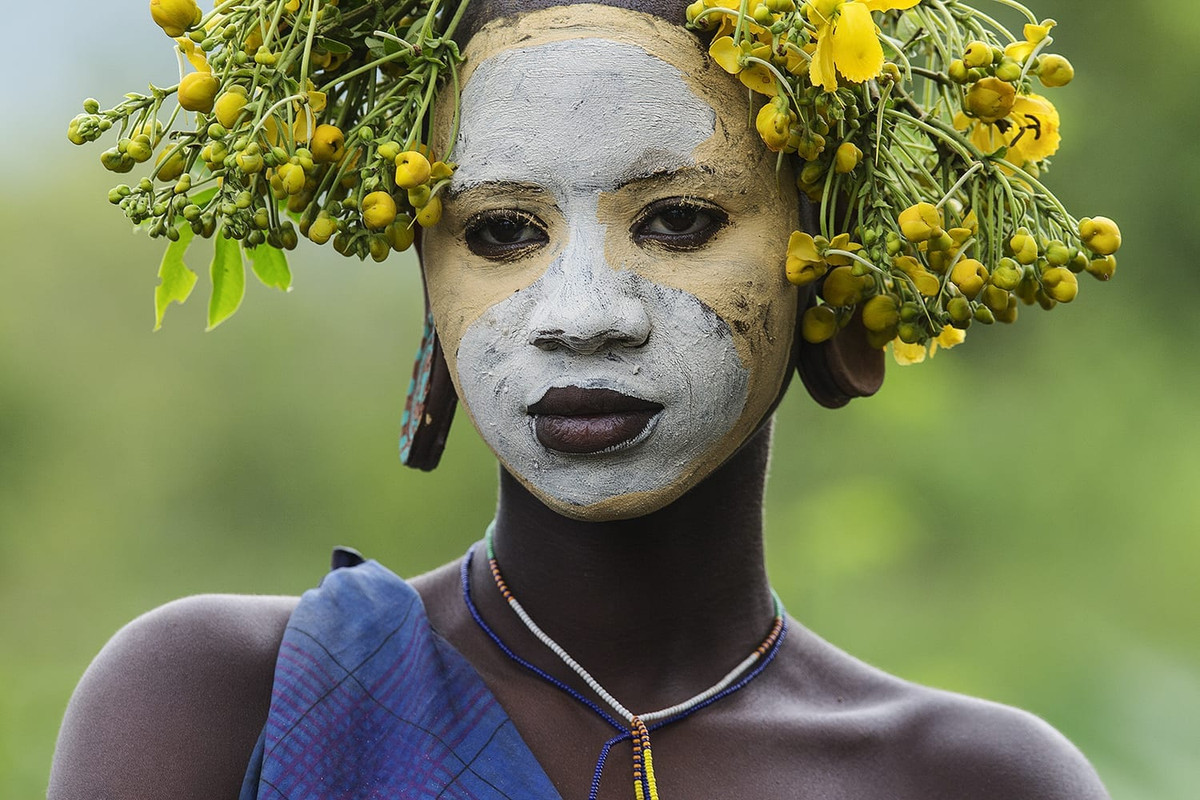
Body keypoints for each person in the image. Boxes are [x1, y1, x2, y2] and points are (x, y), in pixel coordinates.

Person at [49, 0, 1114, 797]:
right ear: (428, 273)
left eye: (682, 219)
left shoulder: (971, 780)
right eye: (503, 230)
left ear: (832, 265)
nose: (581, 314)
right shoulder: (220, 703)